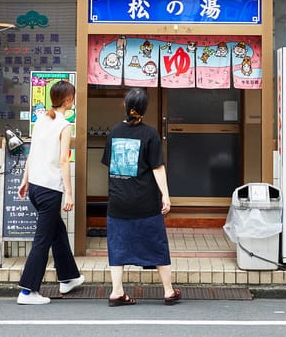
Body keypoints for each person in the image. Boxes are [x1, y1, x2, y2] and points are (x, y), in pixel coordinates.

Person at [101, 88, 181, 306]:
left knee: (117, 246)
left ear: (125, 107)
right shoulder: (150, 134)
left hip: (118, 201)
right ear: (145, 109)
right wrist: (166, 195)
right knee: (157, 244)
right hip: (145, 202)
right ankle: (168, 291)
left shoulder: (115, 132)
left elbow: (109, 166)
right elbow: (157, 168)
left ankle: (117, 292)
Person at [16, 79, 84, 305]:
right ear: (67, 99)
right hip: (49, 190)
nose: (74, 100)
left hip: (35, 186)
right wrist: (69, 194)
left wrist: (25, 181)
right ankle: (27, 291)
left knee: (57, 231)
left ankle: (69, 278)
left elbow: (31, 153)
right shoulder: (64, 125)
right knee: (43, 239)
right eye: (72, 97)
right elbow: (64, 160)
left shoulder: (41, 120)